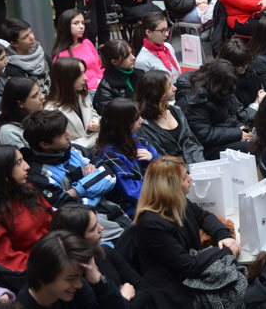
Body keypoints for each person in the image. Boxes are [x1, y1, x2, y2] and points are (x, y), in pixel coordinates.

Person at [133, 156, 242, 309]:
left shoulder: (177, 202)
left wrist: (223, 236)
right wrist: (225, 249)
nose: (190, 178)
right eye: (185, 178)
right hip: (175, 290)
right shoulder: (151, 225)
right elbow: (187, 265)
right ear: (171, 187)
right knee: (237, 291)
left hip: (189, 271)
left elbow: (204, 217)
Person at [0, 144, 52, 276]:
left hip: (56, 251)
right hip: (36, 271)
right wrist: (50, 266)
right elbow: (6, 258)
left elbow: (52, 220)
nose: (27, 166)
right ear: (3, 172)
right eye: (19, 163)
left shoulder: (28, 190)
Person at [50, 203, 148, 306]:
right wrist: (123, 299)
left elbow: (143, 288)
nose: (101, 228)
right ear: (76, 238)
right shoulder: (71, 281)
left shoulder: (104, 251)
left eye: (97, 223)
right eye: (93, 229)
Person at [20, 109, 116, 210]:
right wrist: (95, 187)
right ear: (45, 144)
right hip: (87, 216)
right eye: (62, 134)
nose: (69, 135)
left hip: (110, 209)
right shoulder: (37, 174)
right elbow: (64, 206)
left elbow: (109, 174)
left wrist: (76, 191)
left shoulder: (74, 149)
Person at [17, 230, 127, 309]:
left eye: (80, 275)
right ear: (42, 276)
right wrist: (124, 296)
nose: (79, 284)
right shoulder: (21, 305)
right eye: (70, 278)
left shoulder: (77, 290)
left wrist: (97, 279)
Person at [94, 99, 159, 217]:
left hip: (153, 194)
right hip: (133, 208)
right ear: (124, 123)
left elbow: (164, 166)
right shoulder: (110, 154)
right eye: (136, 118)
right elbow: (132, 191)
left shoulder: (139, 141)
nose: (142, 120)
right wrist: (162, 190)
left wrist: (153, 159)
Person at [177, 57, 253, 158]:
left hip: (223, 136)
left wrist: (245, 131)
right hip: (206, 147)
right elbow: (203, 135)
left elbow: (230, 118)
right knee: (252, 149)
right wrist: (237, 133)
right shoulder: (195, 101)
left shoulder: (216, 92)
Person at [133, 70, 203, 164]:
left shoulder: (177, 111)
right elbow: (159, 156)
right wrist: (185, 169)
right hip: (168, 170)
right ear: (157, 92)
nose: (175, 88)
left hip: (192, 166)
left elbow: (191, 143)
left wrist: (199, 165)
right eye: (169, 86)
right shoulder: (142, 124)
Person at [46, 57, 100, 149]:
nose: (85, 78)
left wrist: (97, 123)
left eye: (84, 72)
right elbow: (60, 144)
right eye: (79, 75)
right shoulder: (51, 110)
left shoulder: (82, 95)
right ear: (66, 78)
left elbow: (94, 115)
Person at [52, 9, 103, 91]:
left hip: (101, 83)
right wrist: (94, 84)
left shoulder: (87, 42)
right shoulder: (60, 56)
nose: (81, 26)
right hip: (84, 91)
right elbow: (68, 85)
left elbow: (98, 66)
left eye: (83, 23)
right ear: (66, 26)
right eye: (76, 23)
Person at [3, 18, 52, 96]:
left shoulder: (41, 54)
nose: (32, 37)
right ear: (14, 43)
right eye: (25, 37)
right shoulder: (13, 70)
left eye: (30, 32)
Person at [93, 39, 143, 114]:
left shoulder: (140, 75)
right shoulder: (106, 88)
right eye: (127, 56)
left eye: (132, 53)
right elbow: (111, 116)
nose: (133, 57)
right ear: (114, 62)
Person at [0, 76, 44, 148]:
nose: (42, 96)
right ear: (20, 103)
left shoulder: (40, 114)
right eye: (35, 95)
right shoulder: (9, 132)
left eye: (39, 92)